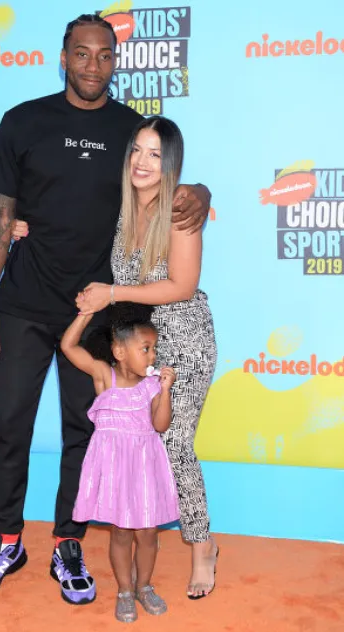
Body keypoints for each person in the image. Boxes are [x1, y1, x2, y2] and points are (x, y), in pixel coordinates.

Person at [0, 12, 210, 604]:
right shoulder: (22, 122)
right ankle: (6, 538)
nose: (93, 65)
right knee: (10, 427)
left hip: (97, 313)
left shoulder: (131, 130)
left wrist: (201, 192)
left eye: (104, 55)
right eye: (82, 53)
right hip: (22, 302)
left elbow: (167, 177)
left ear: (115, 61)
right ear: (64, 56)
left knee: (86, 431)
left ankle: (68, 541)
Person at [75, 116, 219, 599]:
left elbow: (182, 285)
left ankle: (202, 548)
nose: (142, 161)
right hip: (143, 347)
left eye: (155, 154)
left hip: (187, 341)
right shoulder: (122, 210)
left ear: (170, 163)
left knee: (174, 443)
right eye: (137, 149)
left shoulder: (179, 209)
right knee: (145, 444)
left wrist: (112, 292)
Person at [61, 303, 178, 622]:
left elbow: (160, 425)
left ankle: (144, 586)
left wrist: (165, 391)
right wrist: (85, 313)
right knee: (121, 532)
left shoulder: (153, 385)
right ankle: (125, 591)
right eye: (145, 348)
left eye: (154, 349)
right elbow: (68, 346)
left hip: (144, 466)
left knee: (148, 531)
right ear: (119, 350)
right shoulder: (104, 376)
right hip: (114, 467)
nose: (153, 356)